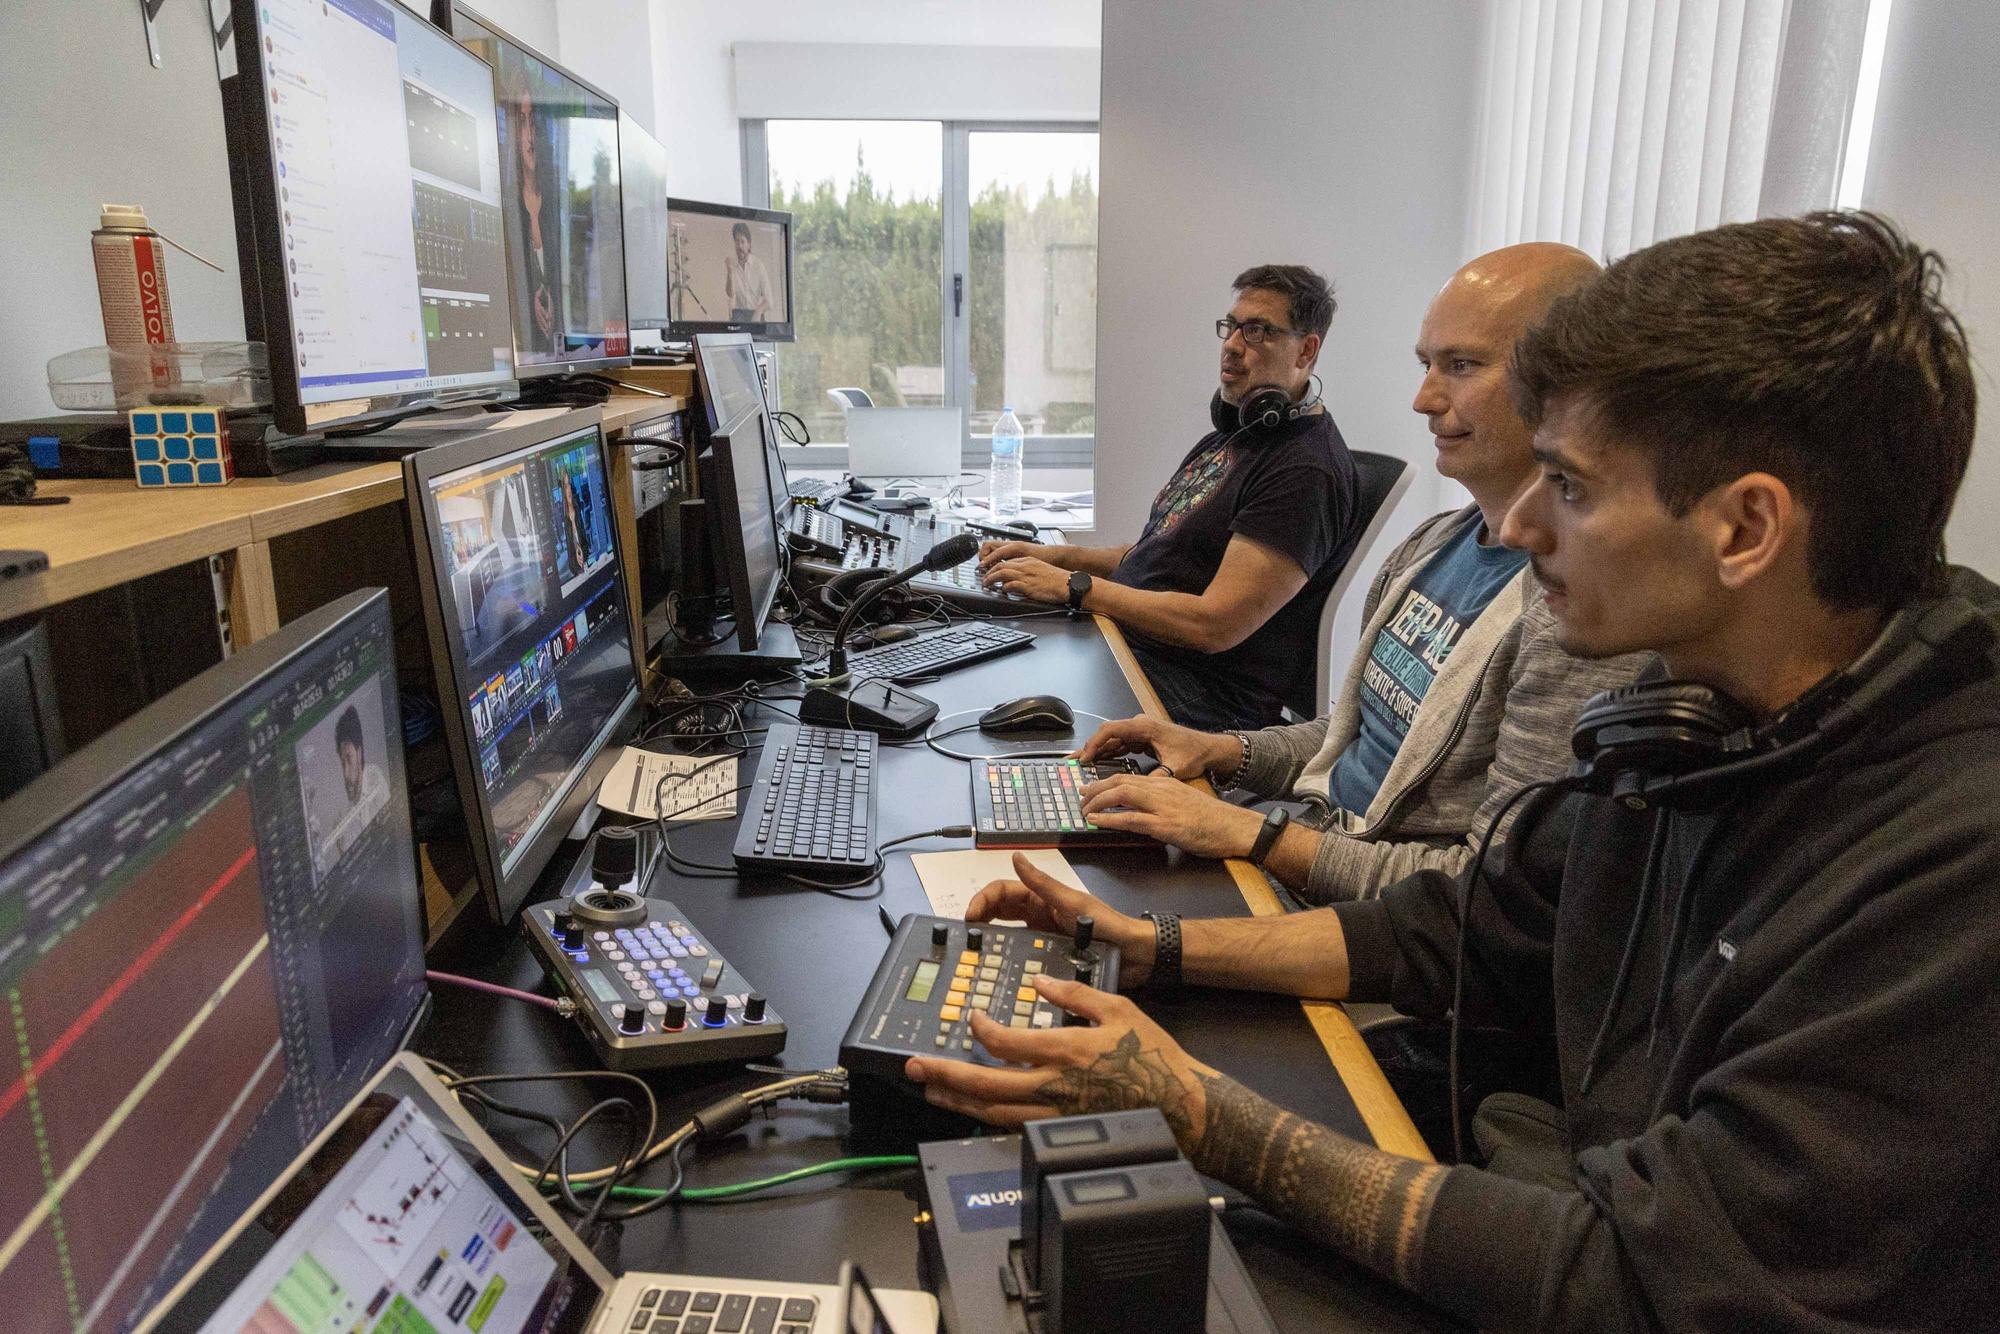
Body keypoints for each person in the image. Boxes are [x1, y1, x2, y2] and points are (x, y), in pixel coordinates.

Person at [907, 212, 2000, 1329]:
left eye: (1567, 487)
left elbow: (1633, 1276)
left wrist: (1202, 1114)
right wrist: (1155, 947)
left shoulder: (1947, 868)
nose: (1520, 525)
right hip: (1558, 1191)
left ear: (1743, 528)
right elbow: (1463, 923)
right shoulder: (1689, 718)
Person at [1072, 243, 1645, 904]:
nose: (1423, 400)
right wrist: (1217, 751)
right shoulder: (1432, 547)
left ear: (1572, 384)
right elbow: (1344, 737)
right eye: (1427, 365)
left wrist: (1253, 836)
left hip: (1356, 908)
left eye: (1460, 366)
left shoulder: (1573, 612)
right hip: (1302, 845)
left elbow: (1488, 896)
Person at [977, 265, 1361, 730]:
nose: (1233, 345)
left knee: (994, 693)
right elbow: (1158, 555)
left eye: (1258, 331)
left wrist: (1075, 588)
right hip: (1134, 651)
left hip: (1198, 697)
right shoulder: (1236, 434)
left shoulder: (1305, 471)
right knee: (990, 649)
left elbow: (1214, 624)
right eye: (1232, 326)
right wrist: (1055, 556)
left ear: (1306, 349)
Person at [724, 221, 774, 323]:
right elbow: (730, 293)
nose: (740, 246)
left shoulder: (758, 266)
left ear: (749, 244)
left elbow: (769, 301)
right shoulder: (732, 264)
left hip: (756, 312)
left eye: (742, 241)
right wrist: (730, 273)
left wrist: (758, 312)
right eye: (737, 241)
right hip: (739, 314)